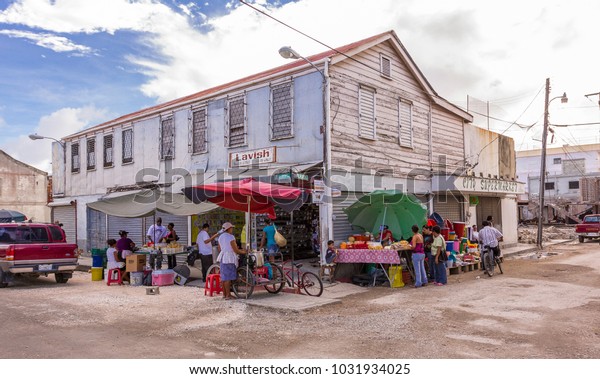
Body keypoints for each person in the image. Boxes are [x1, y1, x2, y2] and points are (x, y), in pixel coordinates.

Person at [217, 222, 247, 300]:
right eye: (231, 228)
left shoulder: (220, 237)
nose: (232, 229)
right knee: (228, 278)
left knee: (224, 278)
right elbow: (235, 250)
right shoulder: (231, 237)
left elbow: (219, 249)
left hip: (223, 257)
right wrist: (244, 252)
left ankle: (224, 294)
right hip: (229, 258)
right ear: (228, 229)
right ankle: (228, 295)